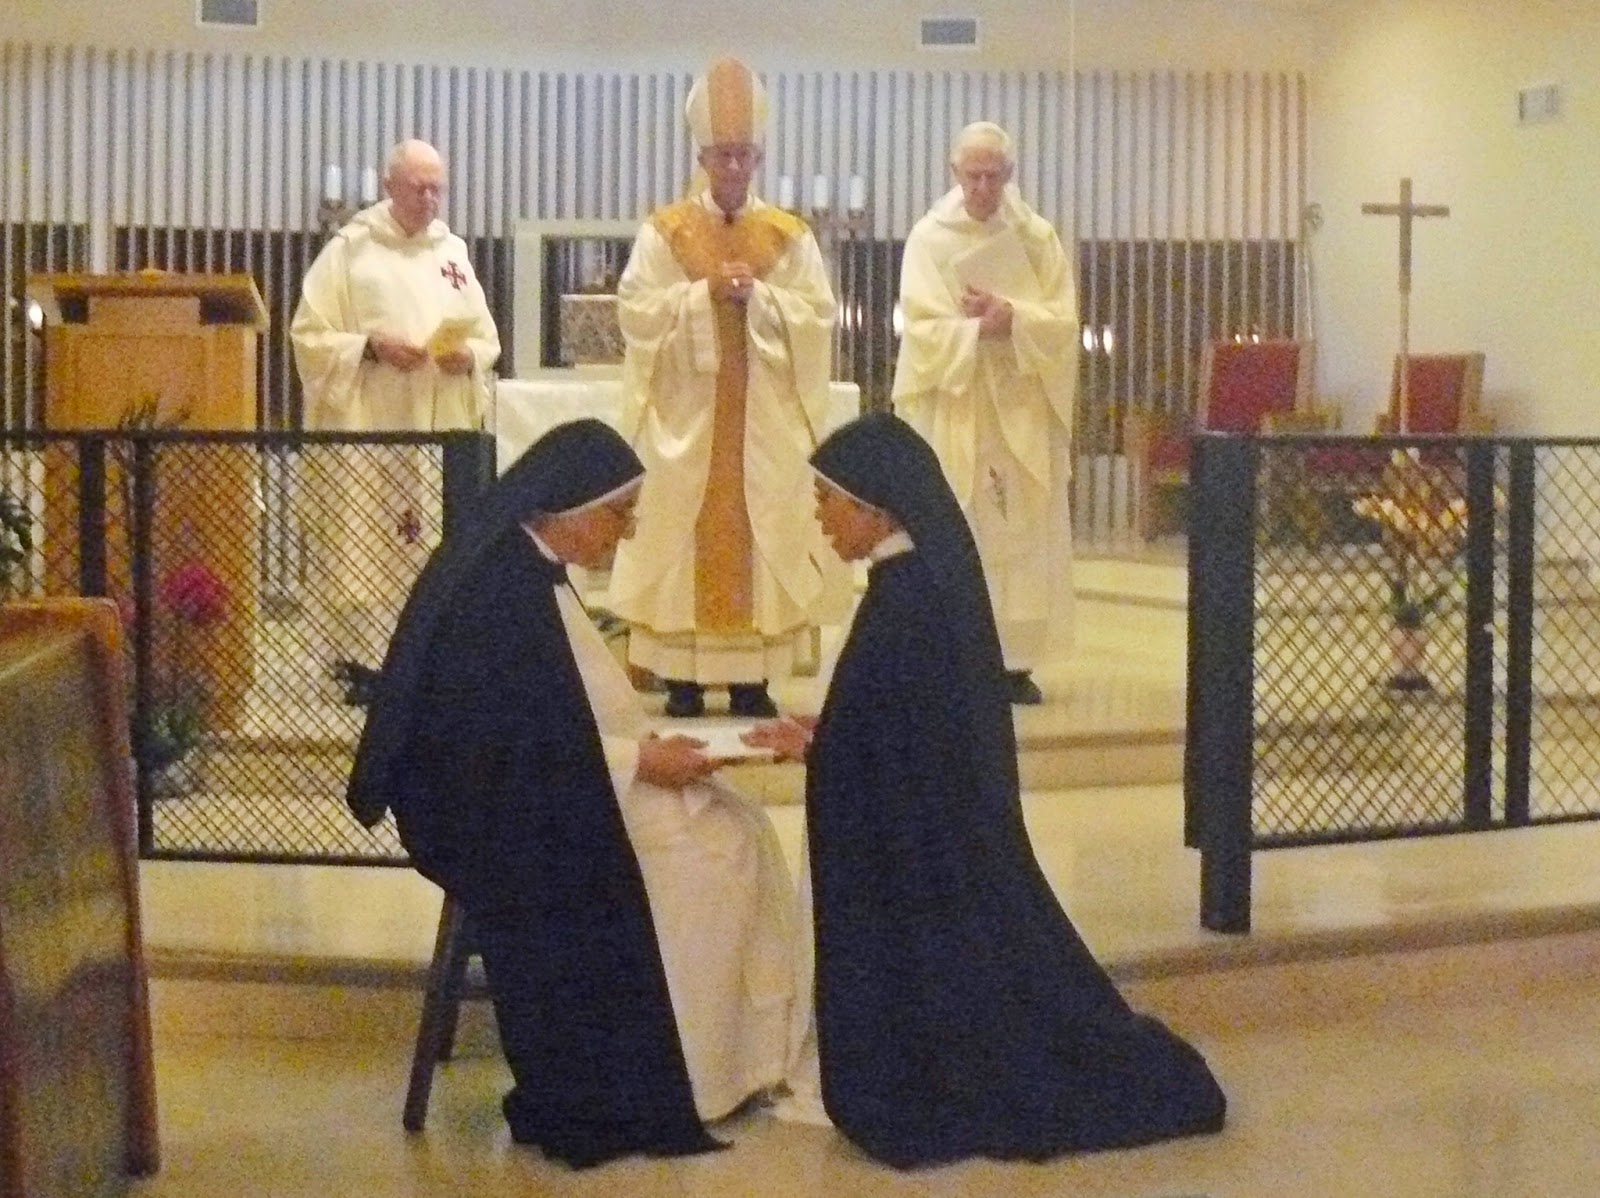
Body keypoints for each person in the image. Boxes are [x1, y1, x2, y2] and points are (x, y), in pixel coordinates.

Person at [747, 413, 1226, 1168]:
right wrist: (830, 734)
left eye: (827, 500)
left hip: (928, 846)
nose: (820, 516)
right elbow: (902, 720)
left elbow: (900, 733)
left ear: (875, 508)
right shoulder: (918, 578)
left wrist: (828, 744)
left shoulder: (908, 595)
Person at [345, 420, 795, 1168]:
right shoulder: (499, 589)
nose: (625, 533)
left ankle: (727, 1064)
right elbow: (501, 742)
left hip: (552, 783)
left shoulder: (524, 565)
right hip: (497, 812)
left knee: (740, 824)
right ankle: (686, 1073)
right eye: (620, 514)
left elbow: (555, 715)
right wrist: (640, 761)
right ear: (568, 507)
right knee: (717, 853)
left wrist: (646, 751)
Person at [606, 56, 842, 719]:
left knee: (764, 526)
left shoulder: (788, 237)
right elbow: (635, 312)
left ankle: (751, 680)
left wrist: (759, 299)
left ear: (758, 157)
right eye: (722, 155)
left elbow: (817, 317)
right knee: (680, 530)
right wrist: (701, 294)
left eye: (743, 155)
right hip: (691, 416)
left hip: (760, 418)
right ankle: (681, 677)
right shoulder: (666, 232)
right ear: (702, 158)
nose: (733, 167)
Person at [290, 138, 501, 696]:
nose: (429, 199)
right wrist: (370, 346)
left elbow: (487, 338)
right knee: (363, 544)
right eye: (418, 188)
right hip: (369, 430)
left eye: (437, 189)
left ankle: (427, 662)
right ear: (389, 188)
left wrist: (468, 357)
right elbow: (308, 336)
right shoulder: (350, 250)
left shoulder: (452, 254)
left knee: (427, 542)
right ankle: (361, 667)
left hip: (433, 430)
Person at [892, 120, 1076, 705]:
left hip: (1017, 409)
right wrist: (976, 329)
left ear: (1010, 175)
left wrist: (1014, 317)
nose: (982, 188)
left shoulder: (1037, 238)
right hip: (959, 407)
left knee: (1019, 532)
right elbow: (919, 328)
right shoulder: (930, 238)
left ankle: (1013, 661)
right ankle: (956, 657)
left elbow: (1064, 323)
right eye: (972, 176)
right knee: (962, 524)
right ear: (954, 172)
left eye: (993, 176)